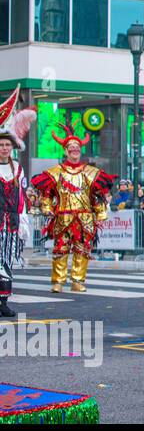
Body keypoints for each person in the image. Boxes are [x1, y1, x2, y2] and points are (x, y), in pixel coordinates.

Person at [31, 127, 115, 293]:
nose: (75, 150)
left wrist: (101, 212)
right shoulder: (55, 172)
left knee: (82, 250)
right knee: (60, 249)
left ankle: (77, 280)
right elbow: (47, 193)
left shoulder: (90, 172)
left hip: (84, 220)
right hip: (63, 218)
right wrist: (47, 207)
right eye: (71, 148)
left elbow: (97, 195)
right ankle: (58, 281)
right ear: (65, 150)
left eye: (77, 148)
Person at [0, 111, 27, 318]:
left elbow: (21, 196)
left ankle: (3, 302)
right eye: (1, 145)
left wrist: (24, 220)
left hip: (11, 224)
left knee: (6, 261)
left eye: (7, 145)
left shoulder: (17, 168)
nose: (4, 148)